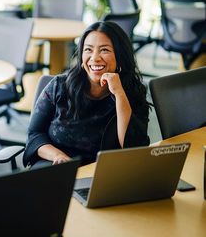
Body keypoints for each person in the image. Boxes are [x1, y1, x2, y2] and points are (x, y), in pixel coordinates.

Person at [23, 21, 150, 167]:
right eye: (88, 50)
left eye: (104, 50)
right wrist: (58, 156)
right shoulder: (59, 86)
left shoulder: (132, 92)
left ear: (120, 56)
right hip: (56, 166)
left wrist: (119, 94)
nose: (94, 58)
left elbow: (133, 152)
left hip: (103, 174)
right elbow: (35, 135)